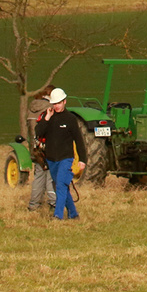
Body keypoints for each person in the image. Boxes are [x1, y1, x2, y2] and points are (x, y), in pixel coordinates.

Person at [35, 87, 86, 220]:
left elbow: (79, 140)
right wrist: (46, 118)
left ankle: (57, 216)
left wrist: (82, 160)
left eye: (59, 103)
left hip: (66, 158)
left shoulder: (70, 119)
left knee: (61, 186)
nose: (56, 106)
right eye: (54, 103)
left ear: (65, 102)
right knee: (61, 186)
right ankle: (74, 214)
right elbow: (38, 132)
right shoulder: (48, 116)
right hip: (51, 159)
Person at [24, 90, 53, 212]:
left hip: (35, 149)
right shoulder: (49, 108)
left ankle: (34, 205)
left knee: (38, 176)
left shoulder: (31, 108)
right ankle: (53, 203)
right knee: (51, 177)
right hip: (48, 148)